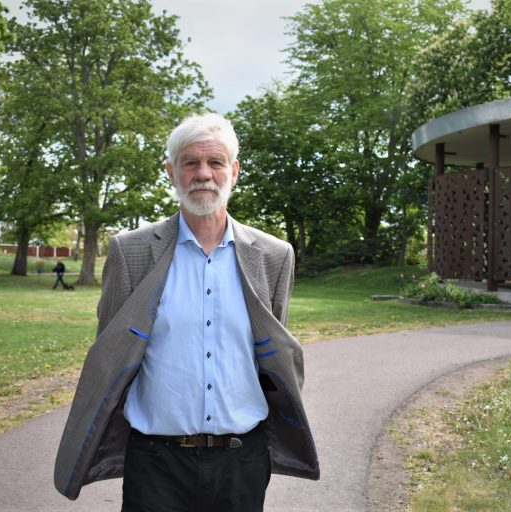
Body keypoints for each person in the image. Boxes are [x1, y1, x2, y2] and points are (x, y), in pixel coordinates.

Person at [54, 113, 319, 511]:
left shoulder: (273, 256)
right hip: (155, 463)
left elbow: (273, 355)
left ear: (234, 171)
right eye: (190, 163)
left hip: (242, 461)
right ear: (171, 172)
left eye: (215, 162)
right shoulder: (132, 252)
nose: (203, 174)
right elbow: (109, 354)